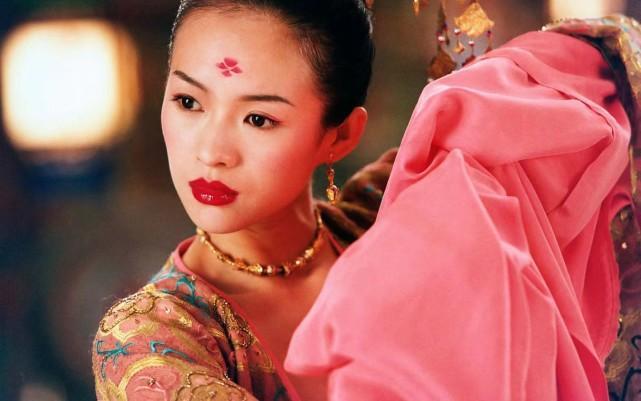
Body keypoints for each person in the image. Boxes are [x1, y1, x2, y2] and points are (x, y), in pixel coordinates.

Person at [285, 13, 641, 401]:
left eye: (259, 119)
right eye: (204, 104)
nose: (230, 153)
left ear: (339, 130)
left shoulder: (419, 187)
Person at [91, 1, 380, 400]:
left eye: (258, 119)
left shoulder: (386, 217)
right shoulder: (148, 343)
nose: (212, 152)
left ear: (341, 136)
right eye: (188, 102)